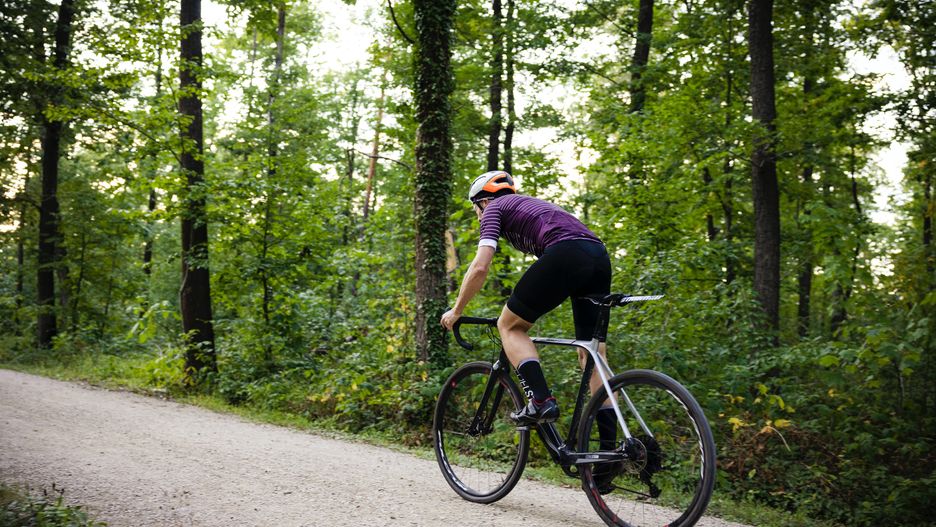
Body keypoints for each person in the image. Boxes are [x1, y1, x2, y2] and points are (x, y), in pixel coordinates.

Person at [440, 170, 615, 429]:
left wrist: (457, 309)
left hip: (567, 252)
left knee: (509, 325)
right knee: (592, 354)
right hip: (599, 256)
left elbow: (480, 267)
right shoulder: (531, 205)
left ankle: (541, 401)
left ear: (483, 201)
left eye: (475, 208)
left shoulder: (493, 208)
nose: (477, 215)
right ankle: (609, 454)